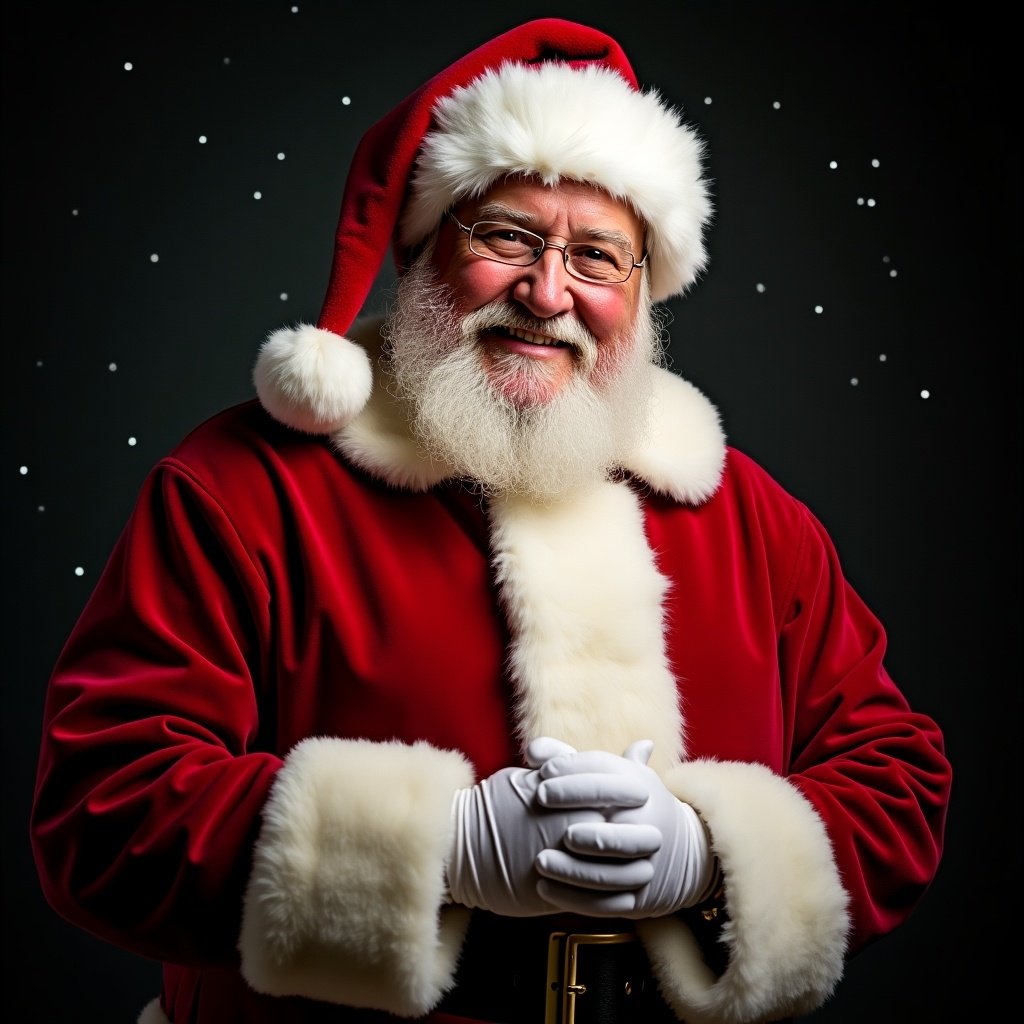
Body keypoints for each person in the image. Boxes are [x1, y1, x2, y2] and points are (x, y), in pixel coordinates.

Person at [29, 17, 951, 1024]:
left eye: (597, 256)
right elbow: (102, 809)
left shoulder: (750, 518)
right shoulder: (239, 489)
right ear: (426, 247)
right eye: (507, 235)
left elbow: (896, 780)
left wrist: (709, 852)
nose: (546, 292)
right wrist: (439, 846)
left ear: (641, 294)